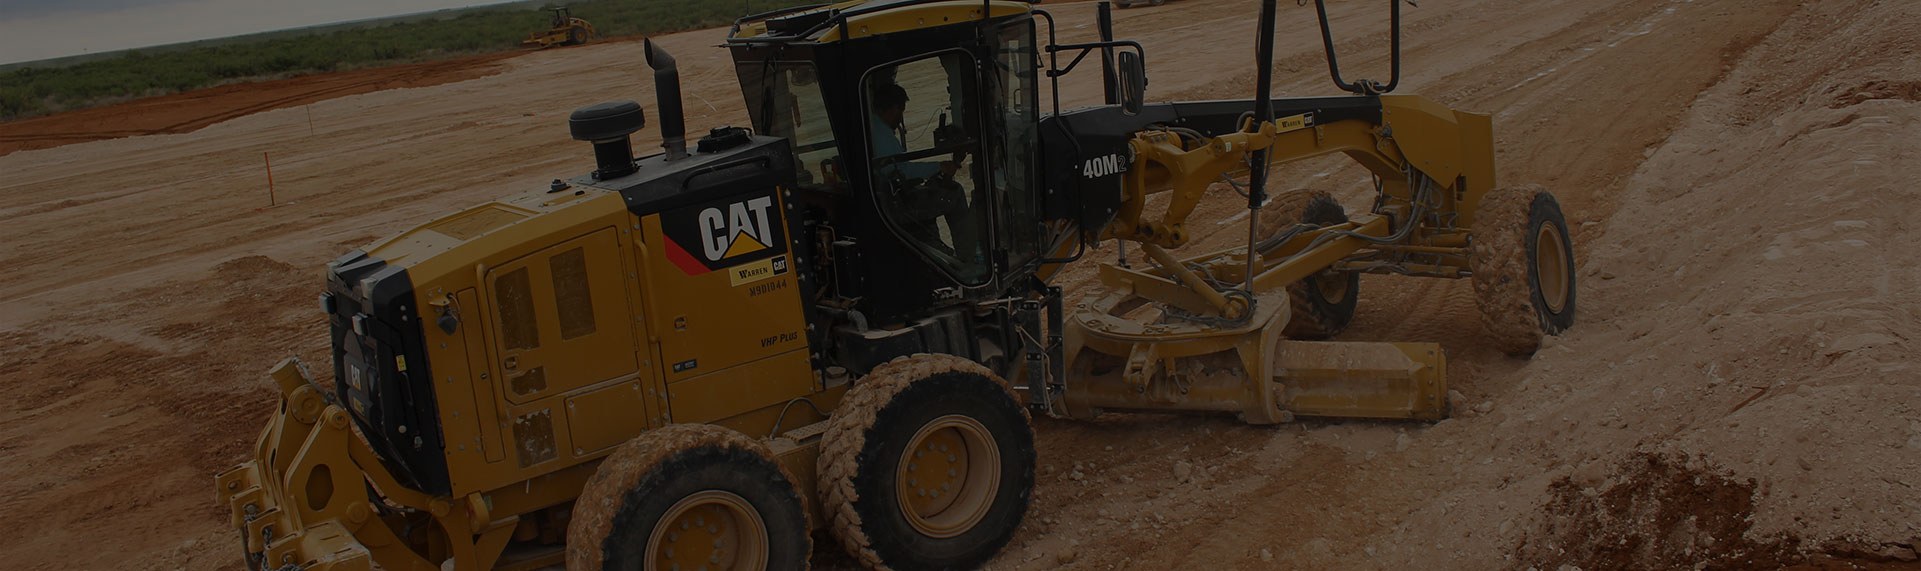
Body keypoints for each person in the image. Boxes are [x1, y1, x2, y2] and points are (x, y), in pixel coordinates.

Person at [868, 84, 959, 180]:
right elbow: (902, 172)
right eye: (901, 111)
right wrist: (939, 167)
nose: (901, 118)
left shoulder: (876, 127)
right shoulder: (882, 136)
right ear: (894, 109)